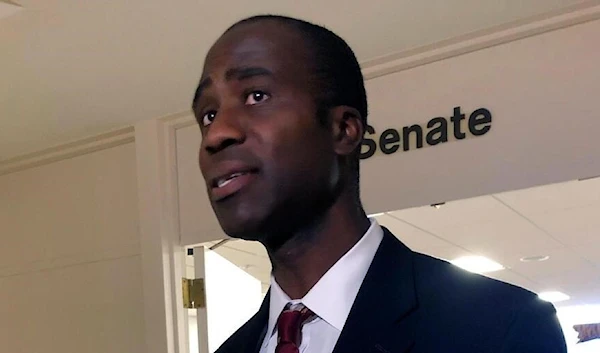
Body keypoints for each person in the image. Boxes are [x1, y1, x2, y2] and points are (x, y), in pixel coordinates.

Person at [192, 14, 567, 353]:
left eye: (256, 96)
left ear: (344, 129)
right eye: (208, 115)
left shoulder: (500, 328)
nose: (216, 134)